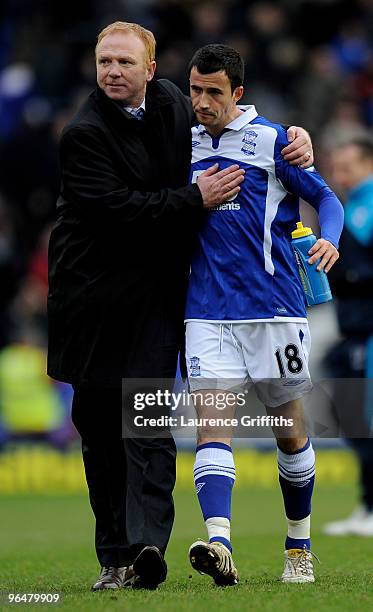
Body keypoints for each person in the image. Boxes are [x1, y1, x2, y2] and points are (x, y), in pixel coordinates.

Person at [47, 21, 314, 591]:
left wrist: (289, 137)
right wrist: (195, 198)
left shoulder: (173, 102)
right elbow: (118, 210)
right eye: (103, 62)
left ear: (151, 70)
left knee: (147, 425)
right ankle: (114, 553)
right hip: (90, 303)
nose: (112, 72)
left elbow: (231, 112)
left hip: (154, 302)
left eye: (124, 62)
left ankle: (149, 549)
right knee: (100, 431)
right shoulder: (83, 134)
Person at [183, 44, 344, 585]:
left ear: (238, 94)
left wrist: (331, 241)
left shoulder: (274, 140)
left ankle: (298, 547)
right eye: (195, 90)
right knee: (212, 429)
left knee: (290, 434)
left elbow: (328, 200)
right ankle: (220, 542)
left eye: (213, 93)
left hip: (275, 311)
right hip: (206, 311)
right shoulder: (179, 144)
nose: (202, 102)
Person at [322, 139, 373, 537]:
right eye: (336, 168)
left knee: (364, 417)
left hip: (367, 332)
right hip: (353, 331)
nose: (339, 175)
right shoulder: (351, 205)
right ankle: (368, 503)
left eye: (347, 166)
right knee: (351, 415)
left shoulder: (366, 206)